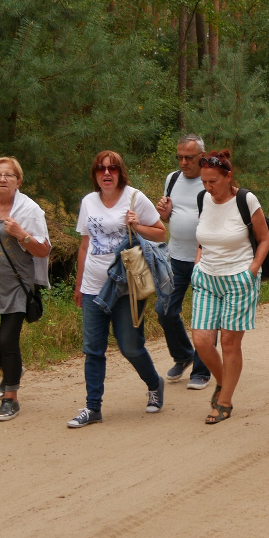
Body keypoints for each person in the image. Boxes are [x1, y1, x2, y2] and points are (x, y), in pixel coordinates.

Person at [68, 151, 168, 428]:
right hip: (92, 287)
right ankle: (93, 407)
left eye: (112, 168)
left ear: (120, 172)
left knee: (131, 347)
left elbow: (160, 233)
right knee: (93, 349)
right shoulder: (88, 201)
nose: (106, 173)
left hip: (125, 287)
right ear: (95, 173)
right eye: (101, 169)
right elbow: (85, 245)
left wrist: (137, 225)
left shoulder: (135, 198)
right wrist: (79, 285)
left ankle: (154, 383)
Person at [0, 157, 51, 421]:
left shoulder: (31, 211)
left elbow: (44, 249)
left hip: (17, 286)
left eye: (9, 175)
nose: (3, 179)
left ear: (19, 181)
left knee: (7, 342)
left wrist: (22, 234)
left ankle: (10, 398)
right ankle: (12, 371)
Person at [191, 150, 269, 424]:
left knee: (228, 341)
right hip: (207, 278)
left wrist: (251, 272)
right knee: (201, 340)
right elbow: (203, 238)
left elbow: (264, 239)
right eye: (204, 182)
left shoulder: (245, 199)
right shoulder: (203, 199)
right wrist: (196, 264)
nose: (208, 187)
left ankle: (224, 400)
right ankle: (225, 382)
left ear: (228, 176)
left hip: (239, 278)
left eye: (212, 181)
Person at [155, 134, 212, 390]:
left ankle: (202, 370)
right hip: (175, 257)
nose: (183, 162)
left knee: (204, 318)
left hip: (206, 260)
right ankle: (183, 355)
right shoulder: (172, 179)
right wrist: (164, 214)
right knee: (164, 310)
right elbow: (169, 217)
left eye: (189, 157)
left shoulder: (212, 179)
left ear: (202, 156)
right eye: (179, 157)